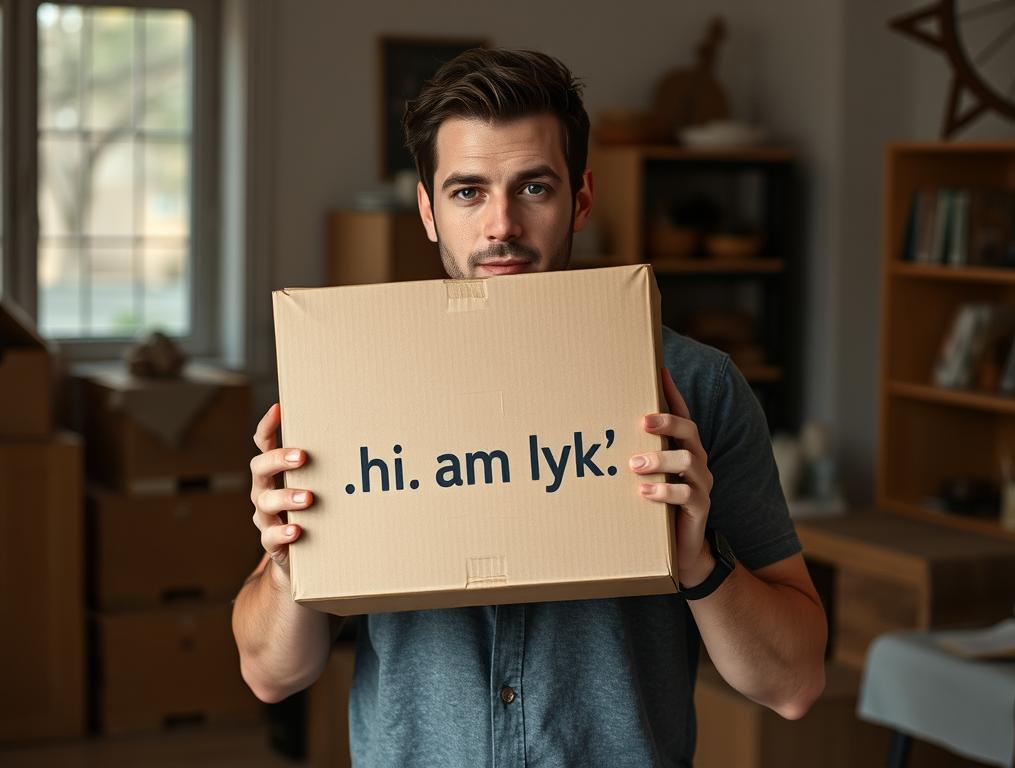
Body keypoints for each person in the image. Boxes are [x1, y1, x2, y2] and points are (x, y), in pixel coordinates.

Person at [232, 48, 827, 768]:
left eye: (534, 187)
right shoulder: (350, 387)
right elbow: (271, 673)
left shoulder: (694, 387)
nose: (502, 225)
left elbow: (794, 684)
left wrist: (698, 561)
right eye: (468, 192)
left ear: (580, 198)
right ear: (427, 209)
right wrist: (290, 565)